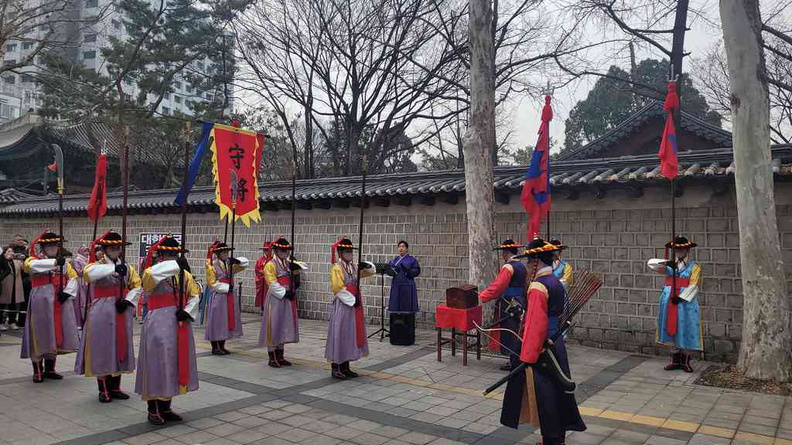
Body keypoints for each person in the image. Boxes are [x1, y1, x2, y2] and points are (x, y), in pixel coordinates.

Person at [500, 238, 586, 442]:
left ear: (536, 261)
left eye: (529, 262)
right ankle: (558, 438)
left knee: (546, 396)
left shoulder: (538, 286)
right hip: (555, 343)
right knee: (559, 392)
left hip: (541, 348)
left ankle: (551, 439)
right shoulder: (554, 281)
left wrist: (527, 356)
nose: (528, 266)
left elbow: (536, 324)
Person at [135, 236, 200, 425]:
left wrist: (187, 311)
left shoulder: (183, 275)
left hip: (178, 322)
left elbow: (195, 293)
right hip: (157, 322)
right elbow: (147, 283)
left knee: (173, 362)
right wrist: (174, 266)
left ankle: (166, 406)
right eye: (168, 254)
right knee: (157, 363)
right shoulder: (151, 271)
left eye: (174, 254)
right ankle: (153, 408)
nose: (172, 257)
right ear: (160, 255)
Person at [75, 231, 141, 403]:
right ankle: (103, 388)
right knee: (103, 347)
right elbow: (88, 274)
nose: (115, 250)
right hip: (102, 310)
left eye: (117, 248)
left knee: (119, 345)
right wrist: (113, 268)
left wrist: (127, 301)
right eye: (111, 247)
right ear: (104, 249)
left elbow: (137, 285)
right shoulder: (95, 265)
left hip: (121, 309)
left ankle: (115, 386)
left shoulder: (128, 267)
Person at [21, 231, 80, 383]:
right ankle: (37, 370)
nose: (53, 248)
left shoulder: (65, 263)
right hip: (41, 301)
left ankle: (50, 368)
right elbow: (30, 267)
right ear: (43, 247)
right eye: (49, 245)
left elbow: (73, 277)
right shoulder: (34, 260)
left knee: (54, 332)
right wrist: (54, 264)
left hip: (59, 301)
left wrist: (67, 292)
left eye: (55, 245)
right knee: (40, 333)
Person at [647, 236, 702, 373]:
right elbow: (650, 264)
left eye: (682, 248)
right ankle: (675, 360)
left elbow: (694, 285)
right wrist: (667, 263)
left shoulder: (694, 267)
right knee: (670, 327)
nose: (679, 251)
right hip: (669, 300)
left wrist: (682, 297)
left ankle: (685, 361)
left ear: (687, 250)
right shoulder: (669, 266)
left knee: (685, 327)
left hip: (684, 303)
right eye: (676, 249)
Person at [325, 238, 375, 379]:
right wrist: (352, 300)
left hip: (354, 305)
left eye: (351, 252)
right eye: (347, 252)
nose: (350, 254)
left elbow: (369, 272)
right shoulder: (337, 268)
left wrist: (366, 266)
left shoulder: (353, 266)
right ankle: (336, 367)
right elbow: (337, 288)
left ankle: (345, 366)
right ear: (340, 253)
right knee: (339, 333)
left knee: (349, 334)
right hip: (343, 304)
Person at [479, 239, 526, 371]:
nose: (502, 255)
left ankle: (514, 361)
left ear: (506, 252)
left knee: (509, 331)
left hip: (509, 303)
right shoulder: (521, 266)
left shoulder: (508, 267)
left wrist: (482, 297)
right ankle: (517, 359)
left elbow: (497, 287)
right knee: (517, 330)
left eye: (503, 252)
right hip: (520, 301)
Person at [259, 238, 305, 367]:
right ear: (276, 251)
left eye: (287, 251)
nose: (285, 253)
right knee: (274, 325)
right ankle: (272, 355)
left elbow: (296, 276)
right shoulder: (270, 265)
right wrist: (284, 292)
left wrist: (295, 272)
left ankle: (280, 354)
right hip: (276, 298)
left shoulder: (288, 263)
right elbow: (271, 282)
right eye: (283, 250)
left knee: (284, 324)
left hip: (288, 297)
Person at [204, 241, 248, 355]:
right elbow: (212, 283)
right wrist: (226, 287)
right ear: (218, 254)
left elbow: (244, 264)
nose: (226, 254)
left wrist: (237, 261)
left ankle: (222, 345)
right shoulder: (212, 265)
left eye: (227, 252)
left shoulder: (229, 264)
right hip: (219, 295)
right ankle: (215, 346)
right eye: (224, 252)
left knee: (226, 320)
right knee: (217, 320)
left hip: (229, 295)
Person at [386, 240, 420, 313]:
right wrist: (389, 270)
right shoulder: (394, 260)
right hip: (396, 284)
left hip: (407, 285)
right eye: (399, 246)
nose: (401, 248)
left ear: (407, 249)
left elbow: (416, 271)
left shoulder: (412, 260)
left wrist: (408, 270)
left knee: (407, 306)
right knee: (396, 304)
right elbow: (390, 270)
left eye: (403, 246)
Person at [1, 246, 24, 331]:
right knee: (2, 304)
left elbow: (24, 269)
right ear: (4, 253)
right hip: (5, 285)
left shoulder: (16, 261)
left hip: (15, 285)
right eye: (8, 251)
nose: (10, 253)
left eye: (11, 251)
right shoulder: (2, 261)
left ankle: (12, 322)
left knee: (13, 304)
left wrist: (22, 259)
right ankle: (1, 322)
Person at [10, 235, 30, 328]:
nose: (21, 241)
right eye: (19, 240)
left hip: (25, 278)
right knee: (10, 300)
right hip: (13, 277)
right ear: (13, 241)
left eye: (22, 240)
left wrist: (27, 252)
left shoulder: (26, 250)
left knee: (23, 301)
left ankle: (20, 321)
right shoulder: (9, 249)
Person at [71, 246, 90, 328]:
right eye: (85, 251)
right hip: (80, 283)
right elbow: (79, 272)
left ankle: (87, 321)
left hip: (87, 284)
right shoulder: (76, 261)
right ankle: (79, 322)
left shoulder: (88, 260)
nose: (87, 253)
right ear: (81, 252)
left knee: (88, 302)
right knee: (80, 303)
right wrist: (88, 267)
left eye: (88, 251)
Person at [254, 241, 273, 310]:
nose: (266, 251)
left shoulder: (273, 260)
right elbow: (257, 270)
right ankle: (263, 307)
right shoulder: (260, 260)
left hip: (270, 280)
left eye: (267, 250)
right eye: (264, 250)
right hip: (262, 280)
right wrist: (263, 272)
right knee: (262, 295)